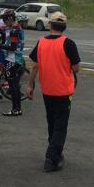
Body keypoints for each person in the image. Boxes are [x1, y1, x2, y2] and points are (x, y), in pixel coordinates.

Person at [26, 11, 81, 172]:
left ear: (50, 25)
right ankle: (51, 157)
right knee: (60, 125)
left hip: (47, 89)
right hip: (63, 90)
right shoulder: (68, 43)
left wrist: (30, 85)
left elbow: (34, 66)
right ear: (64, 27)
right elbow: (76, 67)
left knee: (52, 122)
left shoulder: (41, 42)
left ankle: (56, 153)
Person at [2, 9, 27, 116]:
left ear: (10, 19)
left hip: (13, 60)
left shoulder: (14, 30)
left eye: (4, 20)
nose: (4, 22)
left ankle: (15, 109)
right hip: (17, 59)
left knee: (13, 86)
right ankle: (17, 108)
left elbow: (11, 48)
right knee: (14, 85)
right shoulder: (17, 28)